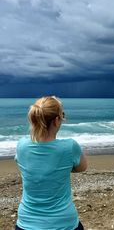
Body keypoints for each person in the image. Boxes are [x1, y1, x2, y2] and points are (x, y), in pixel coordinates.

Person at [15, 96, 87, 230]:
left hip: (26, 223)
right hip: (63, 223)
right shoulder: (69, 147)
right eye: (62, 115)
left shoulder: (21, 146)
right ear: (56, 121)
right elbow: (82, 167)